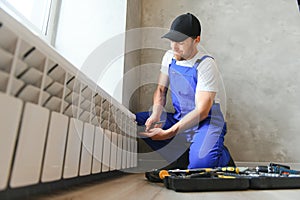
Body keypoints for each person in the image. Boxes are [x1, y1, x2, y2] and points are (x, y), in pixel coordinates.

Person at [136, 13, 235, 171]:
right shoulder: (169, 57)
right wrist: (155, 113)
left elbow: (202, 111)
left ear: (196, 40)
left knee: (200, 167)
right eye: (172, 41)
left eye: (180, 42)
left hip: (206, 121)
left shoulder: (206, 64)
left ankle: (221, 157)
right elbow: (161, 90)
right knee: (138, 122)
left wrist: (168, 133)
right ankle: (183, 157)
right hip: (180, 117)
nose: (174, 47)